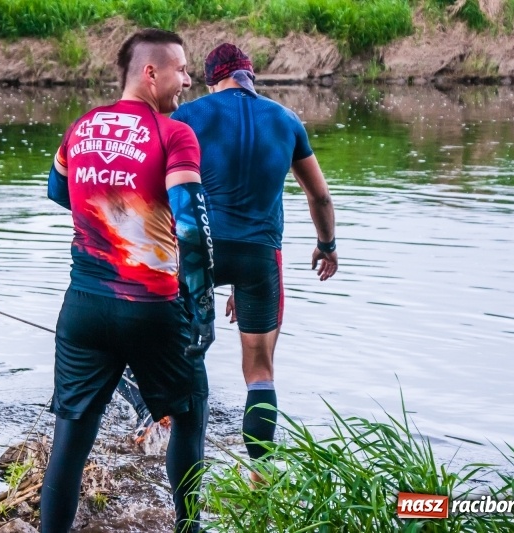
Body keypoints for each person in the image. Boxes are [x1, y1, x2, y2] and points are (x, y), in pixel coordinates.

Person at [42, 28, 215, 533]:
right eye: (182, 69)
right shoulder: (173, 133)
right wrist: (202, 313)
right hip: (153, 309)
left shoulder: (81, 128)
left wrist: (110, 211)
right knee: (189, 409)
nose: (187, 79)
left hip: (83, 308)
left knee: (70, 438)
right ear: (150, 72)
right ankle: (189, 527)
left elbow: (60, 192)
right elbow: (194, 231)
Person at [170, 43, 338, 480]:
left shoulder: (189, 116)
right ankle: (260, 480)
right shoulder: (286, 120)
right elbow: (318, 194)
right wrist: (327, 245)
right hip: (261, 256)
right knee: (260, 371)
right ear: (250, 76)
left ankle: (178, 457)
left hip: (198, 252)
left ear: (211, 80)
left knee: (185, 356)